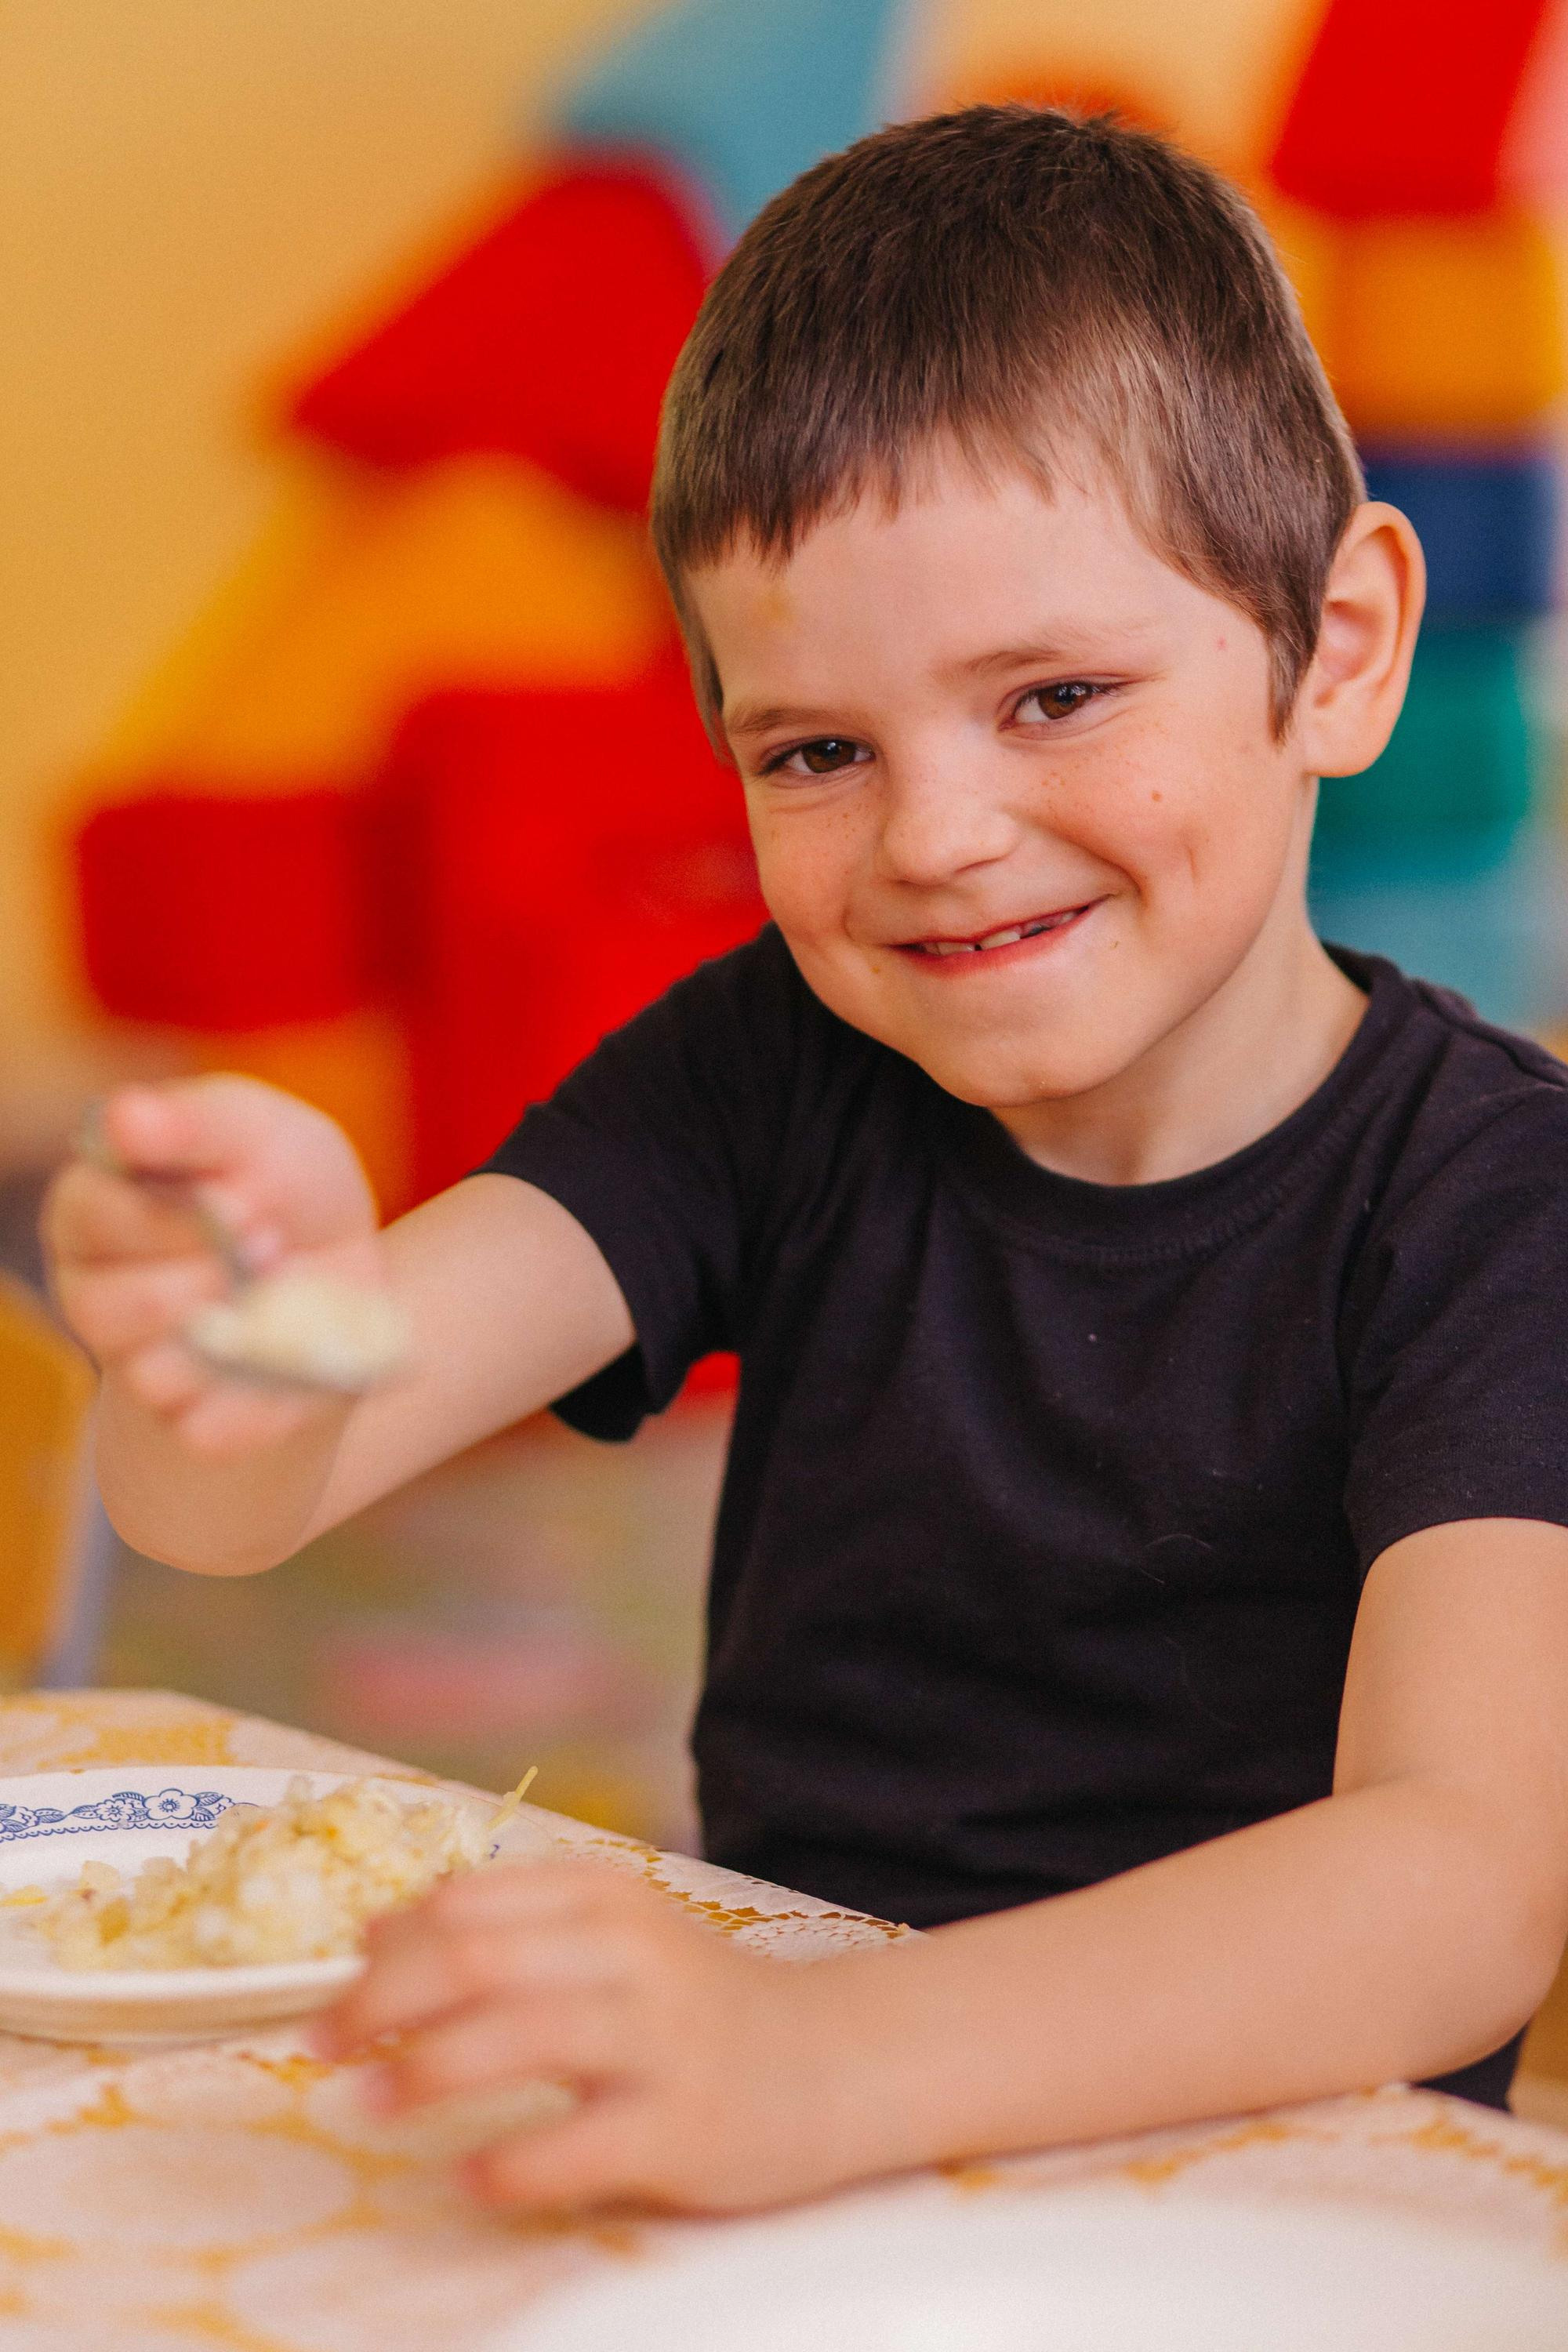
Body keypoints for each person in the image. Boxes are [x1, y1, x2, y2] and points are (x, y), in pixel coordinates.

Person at [45, 107, 1568, 2214]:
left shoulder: (1497, 1203)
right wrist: (249, 1334)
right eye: (819, 752)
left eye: (1051, 696)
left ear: (1339, 648)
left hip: (1282, 2205)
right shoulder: (778, 1063)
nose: (933, 836)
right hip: (800, 2176)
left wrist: (824, 2062)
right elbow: (223, 1505)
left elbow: (1462, 1882)